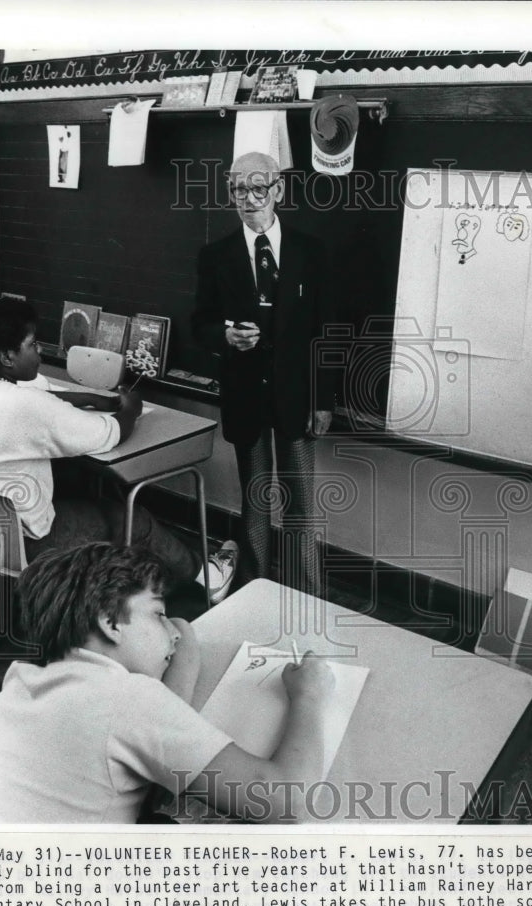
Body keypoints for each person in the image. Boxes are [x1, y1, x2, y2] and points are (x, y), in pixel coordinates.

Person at [0, 543, 335, 823]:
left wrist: (174, 632)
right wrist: (310, 695)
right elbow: (286, 799)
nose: (172, 632)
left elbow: (173, 667)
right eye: (158, 614)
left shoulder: (23, 680)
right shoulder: (126, 698)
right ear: (111, 624)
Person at [0, 296, 237, 604]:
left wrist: (89, 398)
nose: (41, 351)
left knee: (78, 481)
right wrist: (131, 409)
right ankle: (209, 576)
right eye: (32, 345)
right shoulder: (27, 406)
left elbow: (35, 397)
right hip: (26, 545)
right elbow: (110, 433)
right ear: (8, 356)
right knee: (134, 518)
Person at [192, 151, 335, 596]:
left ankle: (307, 590)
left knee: (301, 500)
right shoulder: (215, 255)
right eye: (238, 189)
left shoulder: (311, 251)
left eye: (259, 188)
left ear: (278, 190)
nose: (249, 198)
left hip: (297, 396)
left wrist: (323, 399)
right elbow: (200, 323)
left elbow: (325, 332)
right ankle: (255, 585)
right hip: (246, 395)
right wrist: (226, 337)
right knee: (255, 496)